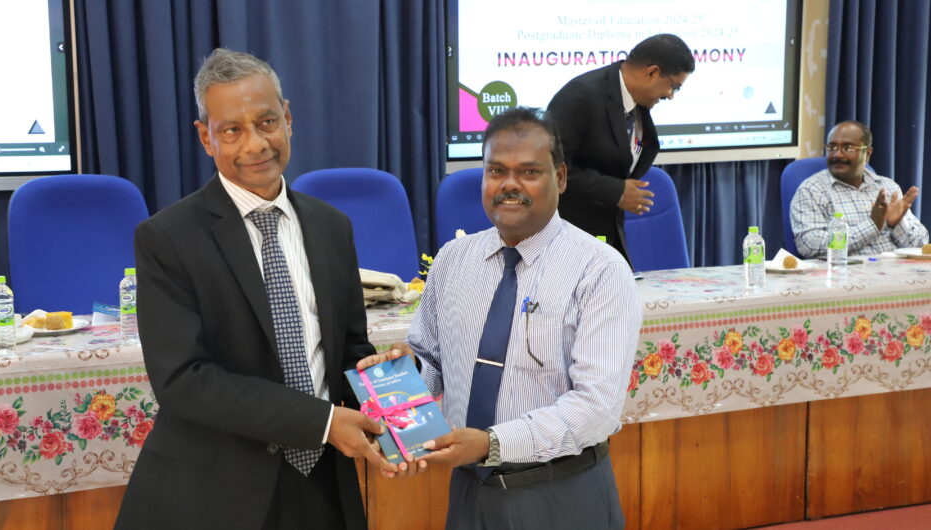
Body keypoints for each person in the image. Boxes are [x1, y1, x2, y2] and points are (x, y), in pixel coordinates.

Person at [114, 48, 398, 530]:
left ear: (288, 118)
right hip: (215, 492)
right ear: (205, 137)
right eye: (232, 130)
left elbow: (349, 350)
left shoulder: (332, 227)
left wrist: (388, 380)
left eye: (267, 122)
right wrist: (322, 422)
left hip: (323, 483)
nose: (256, 144)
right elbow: (184, 380)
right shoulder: (167, 238)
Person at [360, 107, 642, 528]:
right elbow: (433, 362)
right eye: (496, 171)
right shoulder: (453, 261)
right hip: (470, 491)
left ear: (560, 177)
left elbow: (595, 408)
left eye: (529, 172)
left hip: (560, 492)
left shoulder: (599, 270)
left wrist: (490, 444)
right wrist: (404, 376)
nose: (510, 184)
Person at [546, 34, 695, 263]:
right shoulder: (580, 96)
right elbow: (550, 169)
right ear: (652, 72)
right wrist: (616, 191)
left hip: (608, 235)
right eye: (673, 86)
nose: (670, 95)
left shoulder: (637, 103)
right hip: (568, 240)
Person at [791, 120, 928, 257]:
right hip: (846, 269)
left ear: (867, 153)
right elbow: (809, 245)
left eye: (848, 148)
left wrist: (897, 224)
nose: (838, 154)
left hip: (895, 268)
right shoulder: (811, 190)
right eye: (832, 147)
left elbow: (921, 245)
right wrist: (872, 225)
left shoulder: (888, 188)